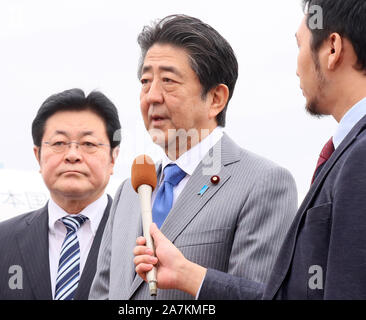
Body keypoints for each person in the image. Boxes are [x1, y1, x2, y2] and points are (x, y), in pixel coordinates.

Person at [134, 0, 366, 300]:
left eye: (300, 46)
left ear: (332, 48)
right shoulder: (134, 189)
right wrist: (189, 275)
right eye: (145, 81)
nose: (296, 66)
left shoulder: (358, 156)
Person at [89, 14, 297, 300]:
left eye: (169, 81)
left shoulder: (263, 183)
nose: (152, 96)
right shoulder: (129, 191)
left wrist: (190, 277)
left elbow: (261, 294)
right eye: (145, 81)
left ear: (216, 99)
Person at [0, 88, 121, 300]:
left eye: (88, 144)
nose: (73, 155)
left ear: (113, 157)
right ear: (38, 155)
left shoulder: (139, 241)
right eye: (59, 143)